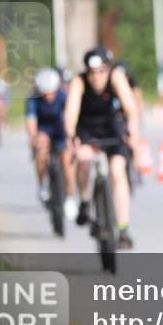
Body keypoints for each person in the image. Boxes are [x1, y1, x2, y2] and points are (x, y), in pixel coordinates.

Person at [64, 47, 141, 250]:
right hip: (86, 128)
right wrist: (71, 135)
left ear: (108, 70)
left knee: (117, 172)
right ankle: (84, 201)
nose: (97, 77)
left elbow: (131, 109)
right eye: (92, 73)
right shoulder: (79, 82)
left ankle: (123, 229)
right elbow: (71, 113)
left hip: (111, 128)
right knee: (84, 160)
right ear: (86, 72)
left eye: (101, 72)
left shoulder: (116, 77)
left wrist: (132, 132)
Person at [26, 68, 75, 211]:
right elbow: (31, 121)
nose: (49, 96)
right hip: (43, 129)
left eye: (52, 91)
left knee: (66, 161)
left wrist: (70, 136)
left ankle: (71, 197)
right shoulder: (33, 99)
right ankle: (42, 184)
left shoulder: (63, 96)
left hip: (60, 128)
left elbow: (70, 117)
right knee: (40, 150)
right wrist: (33, 138)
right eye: (45, 92)